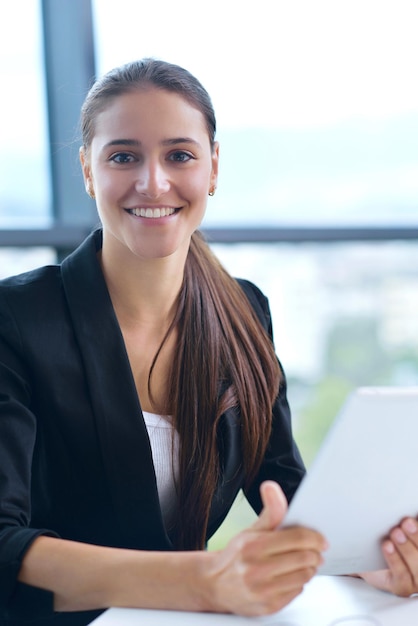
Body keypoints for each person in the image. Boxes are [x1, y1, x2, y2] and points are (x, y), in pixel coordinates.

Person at [0, 58, 326, 625]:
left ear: (213, 167)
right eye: (123, 156)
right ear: (87, 170)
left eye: (180, 155)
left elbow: (283, 486)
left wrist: (374, 558)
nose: (154, 183)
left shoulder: (244, 311)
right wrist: (200, 581)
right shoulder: (16, 319)